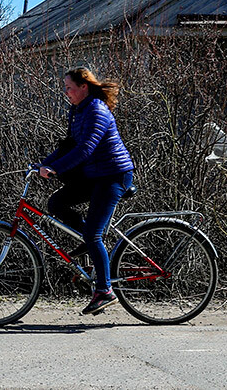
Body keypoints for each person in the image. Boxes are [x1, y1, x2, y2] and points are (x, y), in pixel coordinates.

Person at [38, 67, 135, 316]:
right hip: (95, 175)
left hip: (113, 176)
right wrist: (43, 164)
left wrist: (55, 169)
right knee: (57, 204)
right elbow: (69, 145)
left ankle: (104, 291)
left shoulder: (96, 110)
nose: (66, 93)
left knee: (94, 235)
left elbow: (85, 150)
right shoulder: (78, 111)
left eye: (69, 88)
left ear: (84, 87)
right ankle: (88, 241)